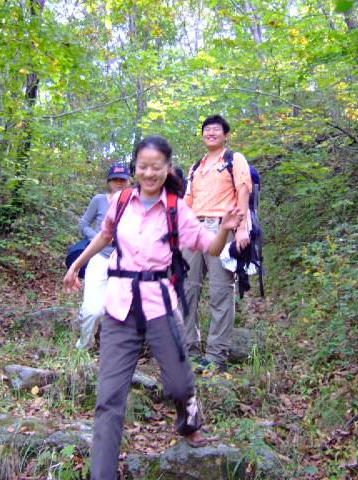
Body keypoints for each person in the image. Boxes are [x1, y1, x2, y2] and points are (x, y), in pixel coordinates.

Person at [63, 135, 243, 480]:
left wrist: (224, 229)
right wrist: (78, 264)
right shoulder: (120, 201)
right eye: (143, 167)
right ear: (135, 168)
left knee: (178, 384)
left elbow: (209, 246)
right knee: (108, 400)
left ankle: (189, 420)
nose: (148, 173)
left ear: (168, 169)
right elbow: (104, 235)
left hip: (160, 305)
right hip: (120, 308)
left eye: (156, 167)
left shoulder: (177, 209)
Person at [183, 115, 252, 372]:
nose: (211, 133)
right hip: (194, 230)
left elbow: (243, 191)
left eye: (216, 129)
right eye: (207, 129)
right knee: (187, 290)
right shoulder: (196, 167)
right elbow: (188, 201)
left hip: (222, 228)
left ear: (226, 135)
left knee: (220, 292)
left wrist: (242, 228)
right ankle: (189, 351)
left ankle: (216, 357)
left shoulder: (234, 159)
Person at [74, 163, 131, 350]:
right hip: (99, 258)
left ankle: (110, 347)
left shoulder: (136, 203)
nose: (119, 183)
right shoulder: (99, 200)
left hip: (125, 263)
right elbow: (83, 224)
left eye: (123, 180)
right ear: (109, 182)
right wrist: (98, 238)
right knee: (92, 310)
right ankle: (83, 347)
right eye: (115, 180)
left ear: (129, 181)